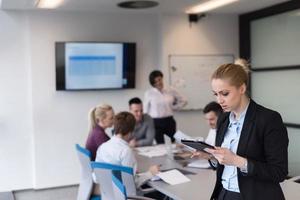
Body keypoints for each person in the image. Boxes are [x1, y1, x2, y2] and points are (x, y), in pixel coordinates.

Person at [201, 60, 289, 200]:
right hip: (224, 193)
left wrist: (237, 161)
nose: (219, 100)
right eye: (215, 94)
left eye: (224, 93)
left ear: (242, 88)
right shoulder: (223, 119)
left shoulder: (268, 119)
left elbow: (278, 172)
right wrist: (212, 157)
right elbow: (224, 166)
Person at [96, 111, 160, 188]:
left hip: (107, 193)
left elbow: (97, 177)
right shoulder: (126, 151)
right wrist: (150, 173)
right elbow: (131, 184)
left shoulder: (103, 147)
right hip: (126, 196)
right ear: (131, 131)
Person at [144, 70, 187, 144]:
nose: (159, 82)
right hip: (156, 122)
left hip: (169, 121)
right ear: (153, 83)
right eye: (156, 81)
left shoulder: (170, 90)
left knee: (171, 143)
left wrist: (174, 108)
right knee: (160, 144)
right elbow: (145, 110)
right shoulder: (149, 93)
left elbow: (184, 100)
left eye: (160, 79)